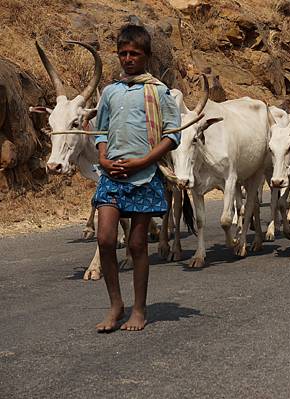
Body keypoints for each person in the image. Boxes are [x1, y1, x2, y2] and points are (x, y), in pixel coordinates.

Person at [93, 24, 181, 332]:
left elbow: (171, 134)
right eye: (123, 53)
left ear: (146, 56)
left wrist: (144, 160)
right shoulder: (110, 92)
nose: (128, 59)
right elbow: (100, 130)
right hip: (111, 174)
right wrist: (103, 159)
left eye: (135, 54)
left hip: (144, 175)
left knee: (137, 243)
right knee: (105, 238)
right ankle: (116, 304)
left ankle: (139, 309)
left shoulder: (159, 92)